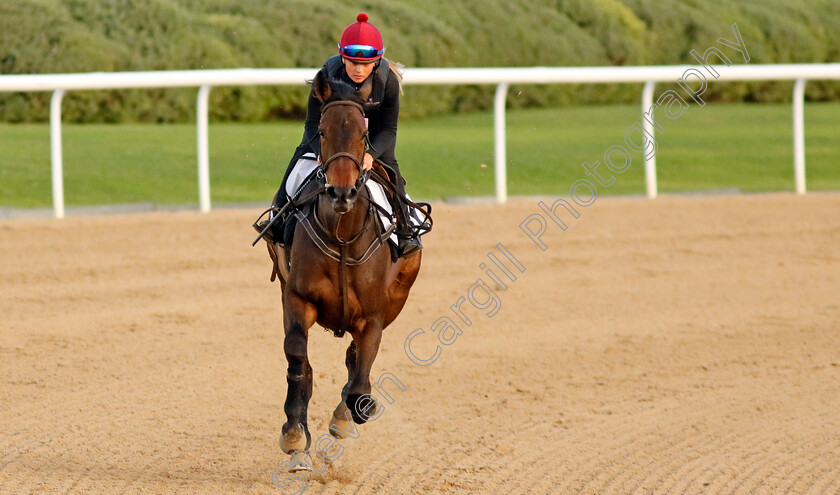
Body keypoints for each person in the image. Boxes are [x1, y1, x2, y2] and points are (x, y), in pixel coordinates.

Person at [269, 12, 422, 258]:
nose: (358, 70)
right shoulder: (326, 76)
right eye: (352, 62)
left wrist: (371, 155)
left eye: (365, 64)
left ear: (377, 61)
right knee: (297, 164)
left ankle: (405, 232)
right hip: (329, 136)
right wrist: (320, 153)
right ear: (342, 57)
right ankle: (278, 217)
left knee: (394, 179)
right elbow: (311, 124)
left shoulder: (388, 80)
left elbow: (389, 130)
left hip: (371, 139)